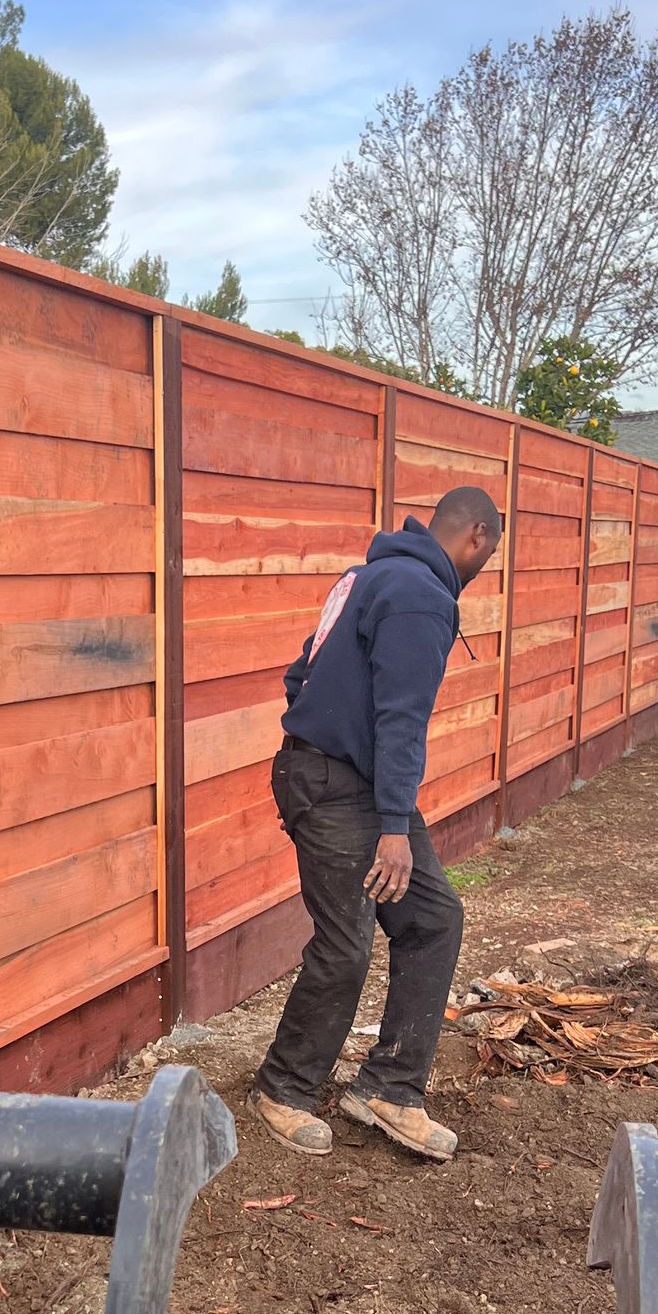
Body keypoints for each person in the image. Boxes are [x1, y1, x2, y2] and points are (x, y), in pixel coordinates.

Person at [252, 485, 505, 1160]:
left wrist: (318, 733)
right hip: (339, 789)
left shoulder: (368, 576)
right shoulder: (422, 596)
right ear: (476, 536)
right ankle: (283, 1088)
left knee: (431, 917)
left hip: (343, 777)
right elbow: (402, 720)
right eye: (490, 556)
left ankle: (391, 1088)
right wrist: (394, 825)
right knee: (347, 944)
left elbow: (301, 670)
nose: (481, 570)